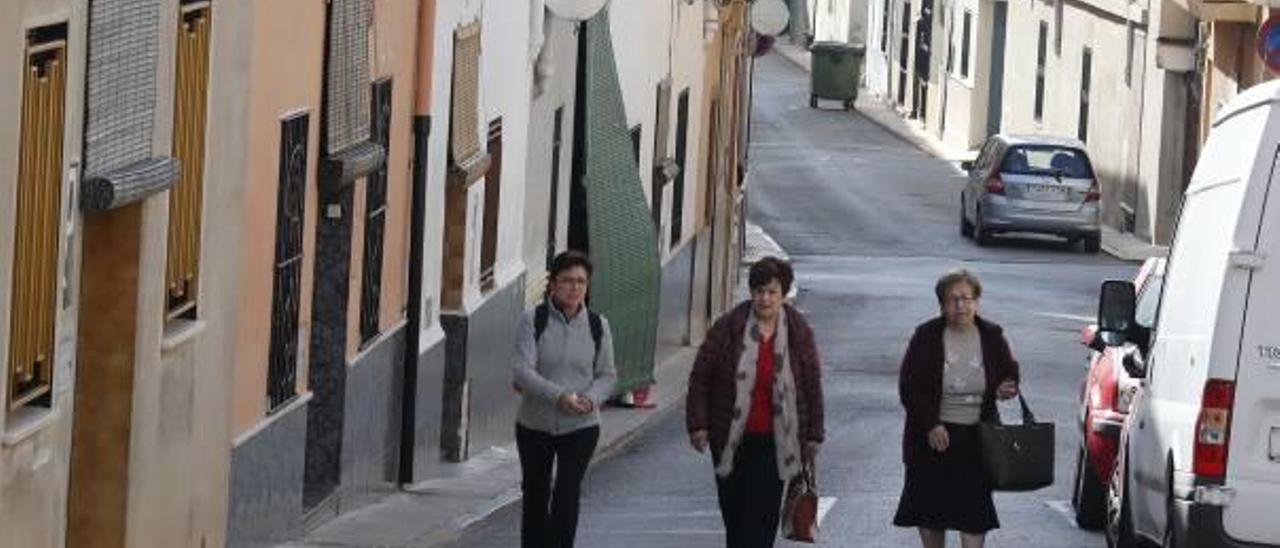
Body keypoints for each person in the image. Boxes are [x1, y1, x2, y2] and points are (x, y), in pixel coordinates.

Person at [686, 256, 825, 548]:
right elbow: (701, 376)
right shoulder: (728, 328)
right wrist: (698, 424)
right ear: (751, 292)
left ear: (783, 294)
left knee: (761, 517)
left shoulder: (798, 332)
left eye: (772, 291)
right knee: (734, 516)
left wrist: (814, 433)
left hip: (776, 441)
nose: (765, 298)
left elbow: (811, 384)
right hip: (729, 439)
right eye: (759, 291)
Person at [893, 269, 1021, 548]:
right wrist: (931, 424)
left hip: (977, 440)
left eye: (966, 298)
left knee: (974, 516)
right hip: (932, 440)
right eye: (952, 300)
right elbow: (909, 386)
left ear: (976, 301)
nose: (960, 306)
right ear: (941, 305)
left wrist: (1005, 386)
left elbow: (1009, 372)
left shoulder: (991, 335)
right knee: (930, 514)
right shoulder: (925, 336)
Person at [512, 250, 617, 548]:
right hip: (534, 425)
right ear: (553, 284)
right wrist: (558, 396)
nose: (574, 287)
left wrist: (590, 400)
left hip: (581, 426)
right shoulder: (533, 320)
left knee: (567, 494)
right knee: (535, 494)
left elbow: (607, 374)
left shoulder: (599, 326)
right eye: (567, 280)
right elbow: (522, 371)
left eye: (581, 282)